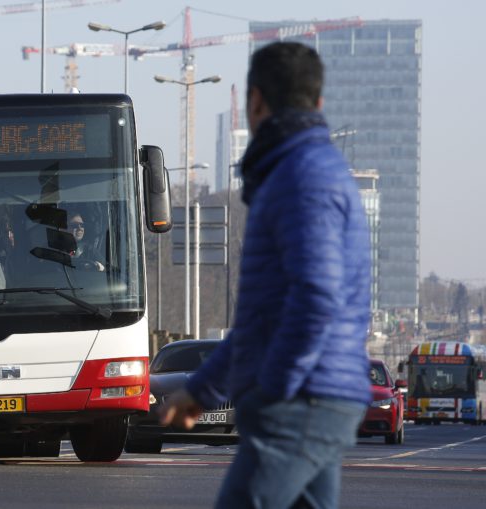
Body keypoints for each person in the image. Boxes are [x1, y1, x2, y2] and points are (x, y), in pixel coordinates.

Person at [158, 41, 372, 508]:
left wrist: (274, 390)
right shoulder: (303, 171)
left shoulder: (300, 176)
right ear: (318, 102)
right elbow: (261, 322)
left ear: (255, 101)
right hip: (313, 396)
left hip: (301, 401)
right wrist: (201, 390)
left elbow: (315, 300)